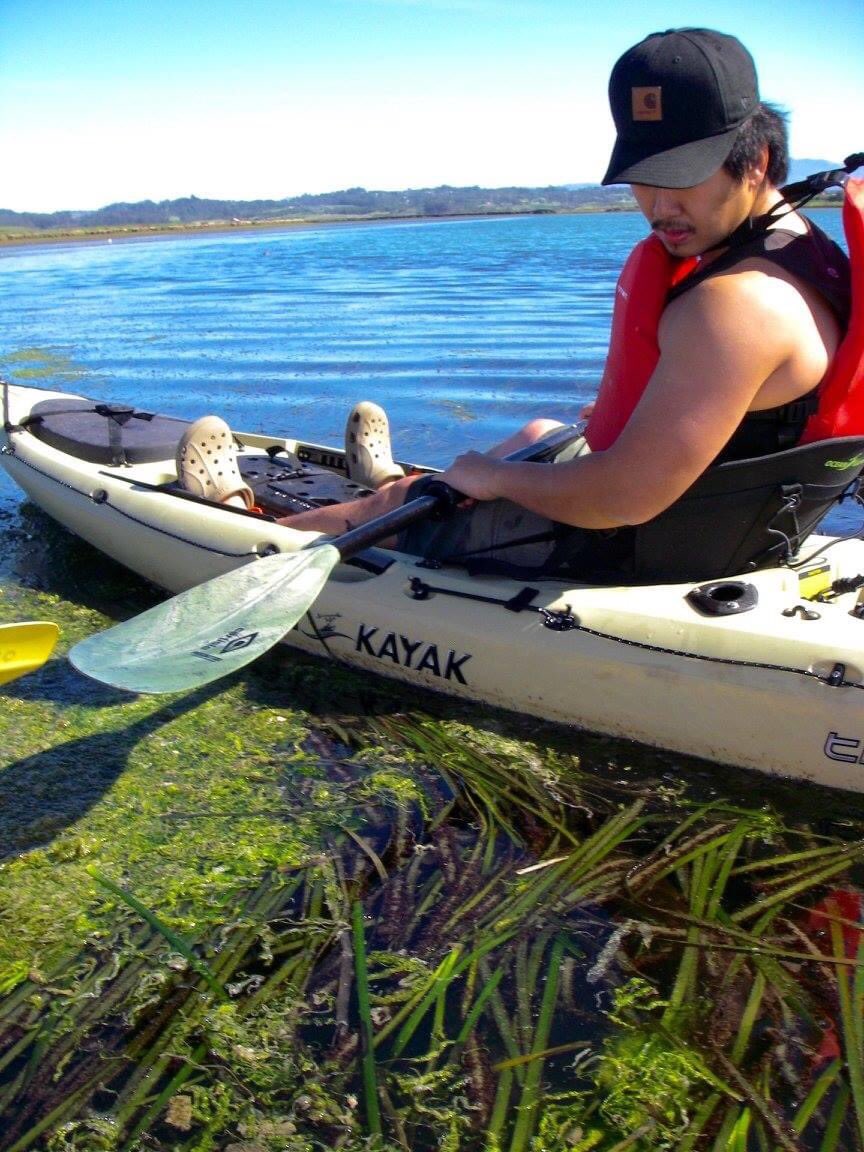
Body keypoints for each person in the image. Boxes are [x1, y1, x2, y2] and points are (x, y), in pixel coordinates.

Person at [178, 28, 852, 581]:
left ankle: (245, 530)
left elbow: (625, 495)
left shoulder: (736, 305)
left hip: (631, 547)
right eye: (643, 179)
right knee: (536, 433)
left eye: (682, 179)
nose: (658, 206)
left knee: (419, 499)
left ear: (757, 160)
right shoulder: (800, 247)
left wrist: (496, 480)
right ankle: (390, 480)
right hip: (723, 523)